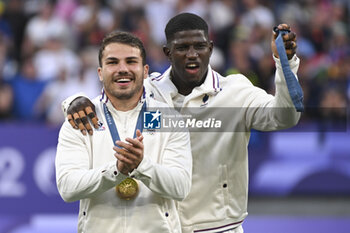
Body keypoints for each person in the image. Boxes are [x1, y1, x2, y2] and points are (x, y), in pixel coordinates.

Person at [62, 13, 301, 233]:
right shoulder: (150, 89)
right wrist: (73, 102)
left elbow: (284, 116)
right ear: (167, 52)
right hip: (165, 226)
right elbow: (111, 98)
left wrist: (285, 65)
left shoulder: (235, 92)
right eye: (182, 48)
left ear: (210, 48)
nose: (192, 54)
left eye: (199, 46)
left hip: (218, 227)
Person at [55, 31, 192, 233]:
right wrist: (116, 171)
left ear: (145, 71)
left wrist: (142, 166)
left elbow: (180, 188)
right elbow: (68, 188)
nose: (122, 69)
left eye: (131, 61)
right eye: (112, 62)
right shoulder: (81, 119)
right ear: (100, 72)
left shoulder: (169, 119)